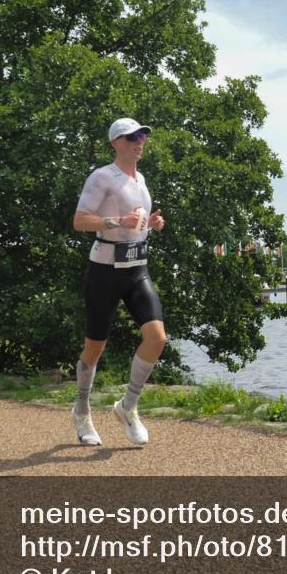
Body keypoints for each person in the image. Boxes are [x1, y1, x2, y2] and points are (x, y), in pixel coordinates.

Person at [71, 118, 166, 446]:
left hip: (137, 269)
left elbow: (135, 225)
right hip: (104, 271)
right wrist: (117, 221)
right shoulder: (102, 177)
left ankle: (128, 406)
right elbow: (80, 221)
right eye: (132, 137)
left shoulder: (140, 179)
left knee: (157, 338)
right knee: (95, 347)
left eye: (142, 136)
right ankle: (82, 410)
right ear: (115, 142)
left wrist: (150, 224)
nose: (140, 141)